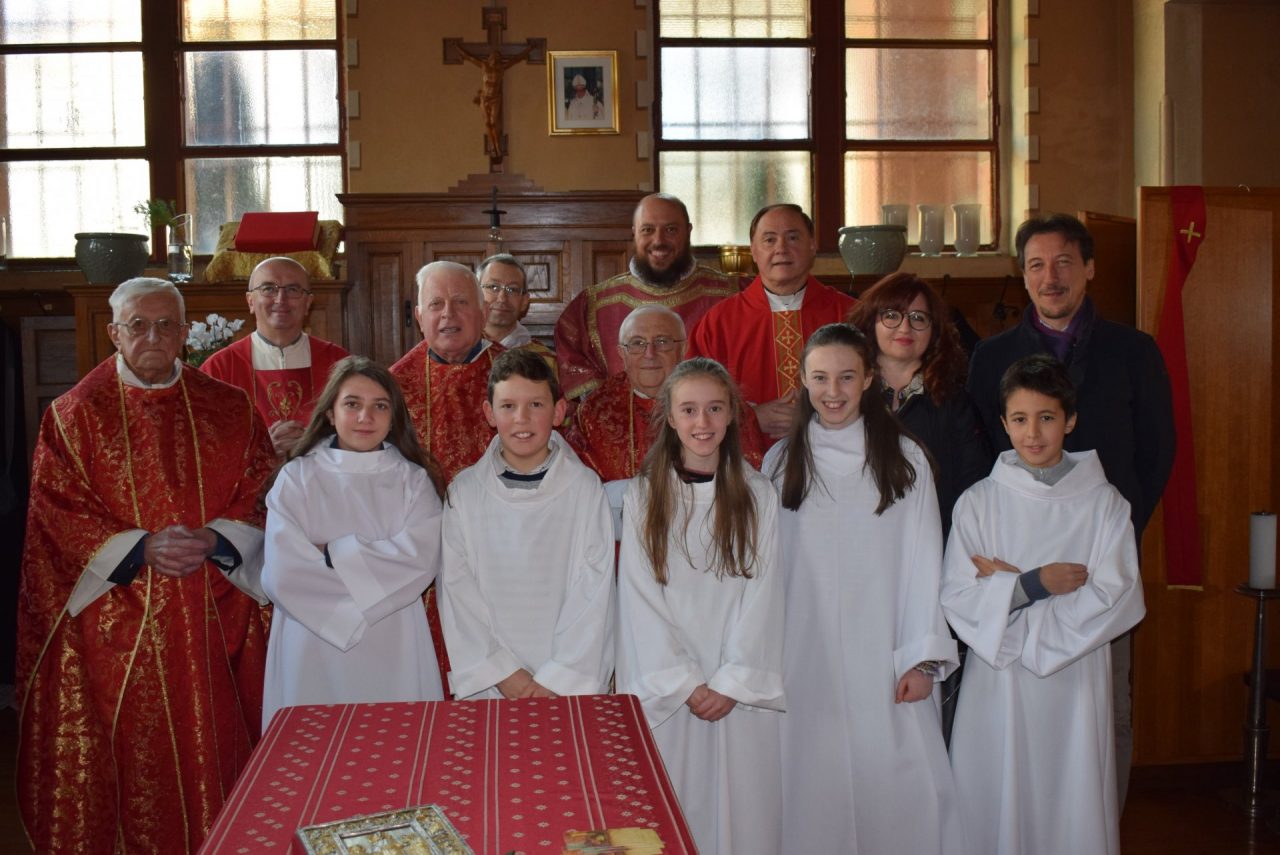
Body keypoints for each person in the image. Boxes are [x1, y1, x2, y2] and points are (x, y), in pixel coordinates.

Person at [16, 278, 277, 853]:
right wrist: (140, 548)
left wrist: (216, 539)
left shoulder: (230, 408)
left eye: (166, 325)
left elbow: (260, 488)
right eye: (138, 325)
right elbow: (57, 509)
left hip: (213, 609)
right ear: (113, 332)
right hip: (117, 619)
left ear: (186, 334)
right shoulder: (73, 414)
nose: (153, 336)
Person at [965, 213, 1173, 803]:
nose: (1049, 276)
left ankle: (1096, 829)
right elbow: (987, 450)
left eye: (1063, 262)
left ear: (1089, 267)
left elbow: (1156, 452)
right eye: (1035, 264)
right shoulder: (991, 357)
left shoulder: (1134, 351)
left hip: (1098, 562)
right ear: (1021, 274)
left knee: (1109, 710)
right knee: (1015, 708)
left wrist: (1112, 539)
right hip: (1013, 566)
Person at [763, 324, 966, 855]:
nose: (834, 391)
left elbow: (925, 560)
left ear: (870, 379)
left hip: (885, 651)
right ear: (802, 381)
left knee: (896, 781)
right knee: (811, 780)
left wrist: (921, 659)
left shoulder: (905, 459)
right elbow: (766, 574)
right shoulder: (780, 462)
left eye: (847, 377)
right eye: (821, 377)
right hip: (803, 656)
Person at [942, 354, 1146, 855]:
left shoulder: (1104, 504)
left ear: (1070, 420)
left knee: (1069, 793)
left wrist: (1019, 616)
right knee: (998, 791)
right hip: (1000, 680)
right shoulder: (979, 502)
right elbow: (959, 595)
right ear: (1003, 423)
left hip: (1073, 674)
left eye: (1047, 417)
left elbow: (1114, 593)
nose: (1033, 433)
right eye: (1019, 419)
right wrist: (1034, 584)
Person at [616, 357, 785, 855]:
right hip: (670, 691)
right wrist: (687, 682)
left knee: (744, 816)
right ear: (669, 417)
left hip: (739, 690)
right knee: (673, 810)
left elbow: (766, 593)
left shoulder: (757, 494)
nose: (702, 423)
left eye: (714, 408)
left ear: (733, 413)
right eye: (688, 410)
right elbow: (640, 597)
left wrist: (732, 682)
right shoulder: (645, 495)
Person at [260, 356, 447, 729]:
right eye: (352, 404)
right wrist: (350, 609)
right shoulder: (297, 478)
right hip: (311, 642)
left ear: (394, 418)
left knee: (396, 751)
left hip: (393, 641)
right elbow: (283, 572)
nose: (366, 417)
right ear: (330, 412)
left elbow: (420, 559)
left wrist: (331, 552)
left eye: (380, 406)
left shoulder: (412, 480)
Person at [438, 349, 615, 700]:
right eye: (508, 406)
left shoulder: (584, 489)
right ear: (489, 413)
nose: (522, 418)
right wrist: (505, 675)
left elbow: (594, 590)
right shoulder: (465, 493)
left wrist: (557, 678)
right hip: (493, 685)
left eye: (536, 405)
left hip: (564, 687)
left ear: (559, 412)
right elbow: (457, 589)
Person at [565, 306, 767, 533]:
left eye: (662, 342)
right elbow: (579, 491)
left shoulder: (723, 403)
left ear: (683, 348)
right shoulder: (594, 411)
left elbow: (749, 478)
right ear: (621, 353)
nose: (649, 354)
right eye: (637, 343)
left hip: (712, 532)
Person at [688, 203, 856, 442]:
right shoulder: (719, 323)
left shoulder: (849, 314)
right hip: (747, 463)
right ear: (754, 252)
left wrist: (819, 415)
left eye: (793, 237)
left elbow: (874, 387)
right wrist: (749, 417)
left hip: (836, 455)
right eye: (769, 240)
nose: (781, 248)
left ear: (812, 247)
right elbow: (691, 396)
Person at [847, 272, 991, 537]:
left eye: (918, 318)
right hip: (859, 539)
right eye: (891, 315)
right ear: (871, 323)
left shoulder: (954, 400)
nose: (905, 328)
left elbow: (972, 484)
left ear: (934, 330)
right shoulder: (848, 394)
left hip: (932, 541)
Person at [554, 193, 737, 400]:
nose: (658, 241)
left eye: (670, 230)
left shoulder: (731, 296)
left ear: (688, 232)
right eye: (648, 230)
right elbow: (576, 371)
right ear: (634, 233)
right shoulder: (593, 305)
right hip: (623, 429)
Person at [201, 256, 350, 457]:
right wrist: (261, 448)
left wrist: (314, 444)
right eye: (269, 288)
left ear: (308, 303)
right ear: (251, 301)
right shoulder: (219, 369)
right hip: (251, 487)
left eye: (293, 289)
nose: (281, 299)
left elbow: (359, 430)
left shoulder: (339, 363)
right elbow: (206, 445)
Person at [391, 260, 504, 483]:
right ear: (420, 318)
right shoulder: (393, 384)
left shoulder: (518, 374)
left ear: (484, 313)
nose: (448, 313)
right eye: (435, 304)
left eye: (461, 302)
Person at [477, 253, 556, 371]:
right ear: (476, 294)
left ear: (524, 301)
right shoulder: (456, 353)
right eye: (493, 287)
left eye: (512, 289)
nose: (502, 298)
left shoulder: (546, 363)